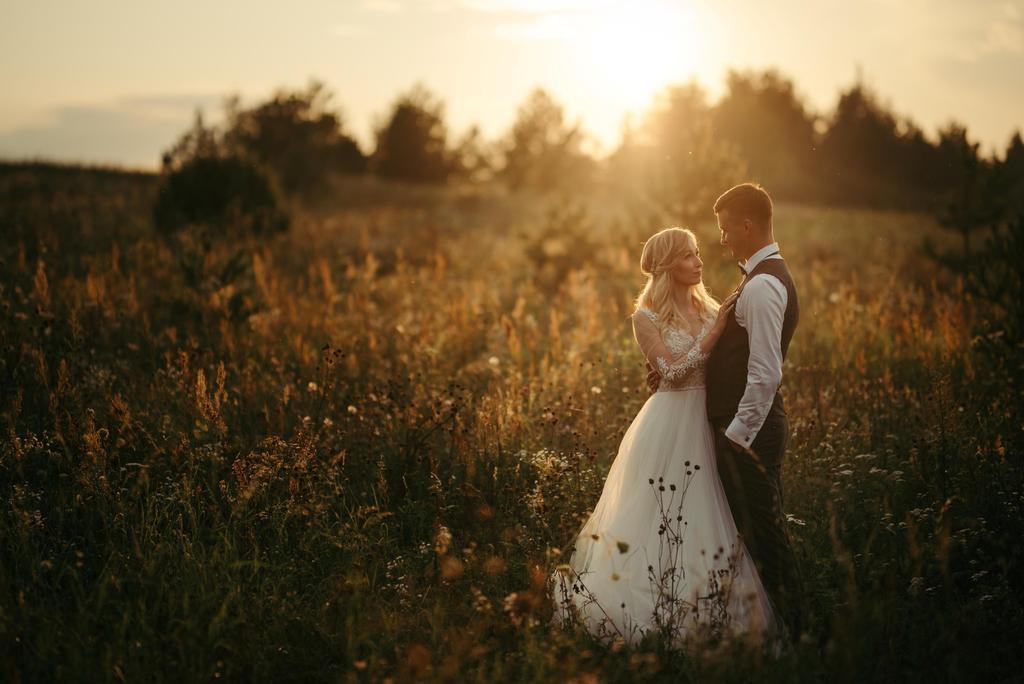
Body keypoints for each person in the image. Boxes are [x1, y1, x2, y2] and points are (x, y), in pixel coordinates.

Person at [550, 226, 781, 650]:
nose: (699, 261)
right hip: (670, 421)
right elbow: (672, 371)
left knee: (713, 512)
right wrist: (713, 334)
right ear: (668, 265)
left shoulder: (712, 306)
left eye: (697, 253)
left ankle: (715, 607)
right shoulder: (646, 317)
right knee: (663, 516)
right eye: (689, 256)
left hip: (710, 419)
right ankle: (658, 609)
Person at [701, 182, 804, 641]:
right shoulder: (758, 277)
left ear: (747, 225)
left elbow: (765, 372)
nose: (722, 238)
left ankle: (799, 631)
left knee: (765, 535)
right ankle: (770, 628)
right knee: (757, 531)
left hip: (750, 432)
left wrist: (736, 436)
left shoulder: (763, 285)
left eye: (725, 229)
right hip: (749, 428)